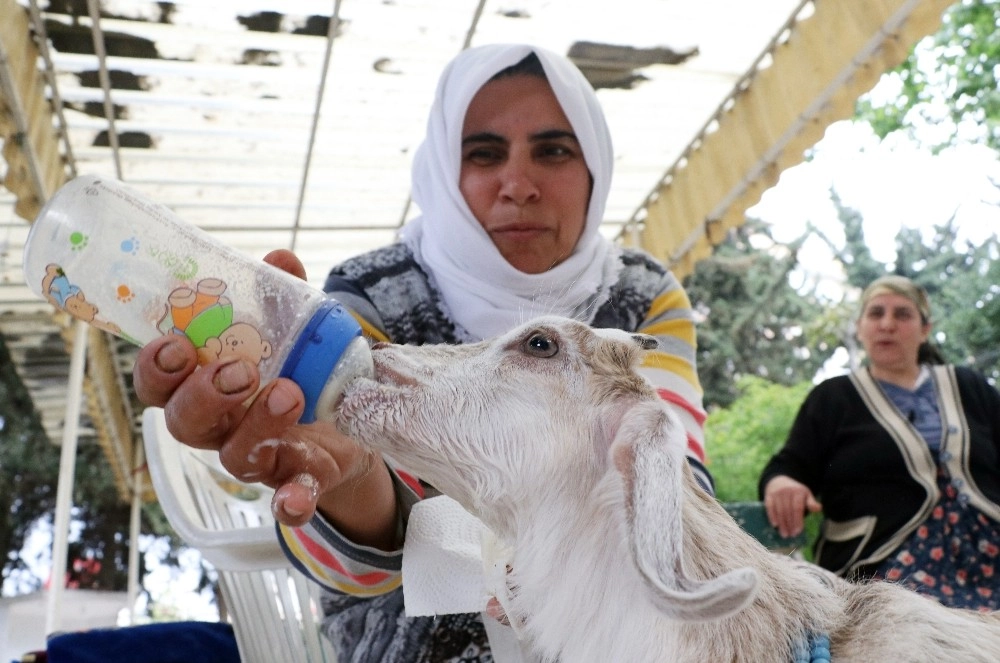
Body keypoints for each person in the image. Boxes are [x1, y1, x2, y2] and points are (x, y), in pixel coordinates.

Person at [133, 43, 711, 661]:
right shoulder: (369, 295)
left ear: (596, 166)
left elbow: (674, 486)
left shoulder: (640, 295)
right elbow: (360, 538)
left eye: (554, 151)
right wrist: (351, 475)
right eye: (483, 153)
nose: (518, 185)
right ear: (442, 167)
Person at [759, 274, 1000, 611]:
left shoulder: (970, 386)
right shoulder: (833, 398)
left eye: (902, 314)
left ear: (925, 329)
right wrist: (782, 483)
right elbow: (790, 465)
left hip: (989, 550)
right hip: (884, 562)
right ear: (860, 327)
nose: (887, 324)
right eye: (876, 314)